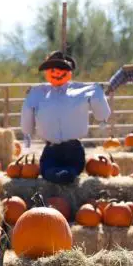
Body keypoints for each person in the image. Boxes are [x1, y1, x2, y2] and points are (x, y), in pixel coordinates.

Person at [21, 50, 111, 184]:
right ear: (46, 72)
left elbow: (101, 109)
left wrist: (102, 116)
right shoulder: (37, 92)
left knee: (70, 171)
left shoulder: (84, 90)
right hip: (51, 148)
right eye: (52, 69)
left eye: (61, 68)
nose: (57, 72)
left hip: (73, 149)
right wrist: (27, 132)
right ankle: (57, 174)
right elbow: (27, 111)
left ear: (69, 71)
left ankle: (66, 174)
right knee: (48, 170)